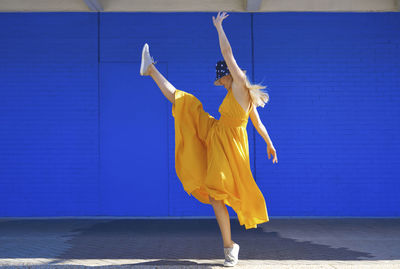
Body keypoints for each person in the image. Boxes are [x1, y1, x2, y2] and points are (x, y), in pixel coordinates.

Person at [140, 11, 278, 267]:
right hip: (218, 133)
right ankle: (150, 69)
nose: (221, 82)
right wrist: (269, 142)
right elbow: (258, 123)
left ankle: (230, 247)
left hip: (230, 145)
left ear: (227, 75)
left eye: (221, 78)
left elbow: (228, 54)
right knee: (187, 103)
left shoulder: (238, 84)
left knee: (218, 194)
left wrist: (218, 28)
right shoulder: (240, 93)